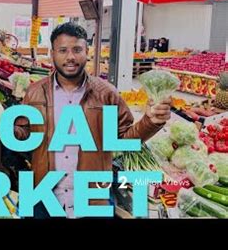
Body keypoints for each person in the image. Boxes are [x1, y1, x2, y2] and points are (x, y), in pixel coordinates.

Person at [13, 22, 171, 218]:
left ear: (86, 52)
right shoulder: (35, 92)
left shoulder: (107, 95)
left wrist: (150, 122)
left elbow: (124, 138)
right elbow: (25, 135)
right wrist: (8, 129)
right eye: (63, 50)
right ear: (52, 53)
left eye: (77, 49)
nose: (70, 57)